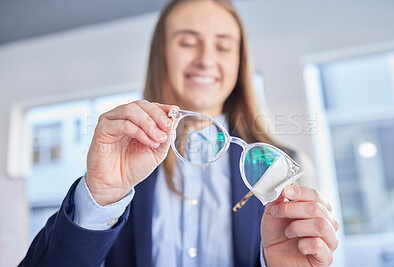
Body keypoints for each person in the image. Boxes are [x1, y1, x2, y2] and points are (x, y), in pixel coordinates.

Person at [20, 0, 339, 266]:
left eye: (224, 47)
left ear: (239, 62)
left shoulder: (280, 167)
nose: (206, 60)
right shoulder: (121, 164)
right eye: (187, 42)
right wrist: (100, 196)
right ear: (161, 55)